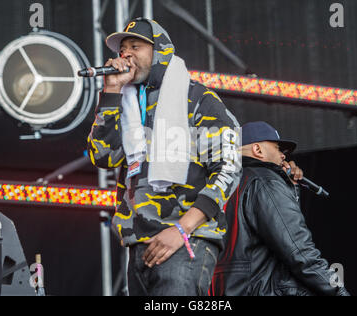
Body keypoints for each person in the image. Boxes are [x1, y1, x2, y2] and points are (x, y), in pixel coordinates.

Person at [87, 18, 241, 296]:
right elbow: (102, 156)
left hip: (186, 240)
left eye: (135, 46)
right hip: (139, 243)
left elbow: (229, 167)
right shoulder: (126, 103)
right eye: (122, 50)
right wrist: (111, 91)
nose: (126, 55)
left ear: (160, 52)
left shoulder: (198, 99)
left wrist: (182, 230)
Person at [211, 121, 350, 296]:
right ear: (258, 150)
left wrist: (290, 187)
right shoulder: (266, 181)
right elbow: (300, 252)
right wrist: (339, 291)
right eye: (278, 149)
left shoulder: (221, 186)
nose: (284, 156)